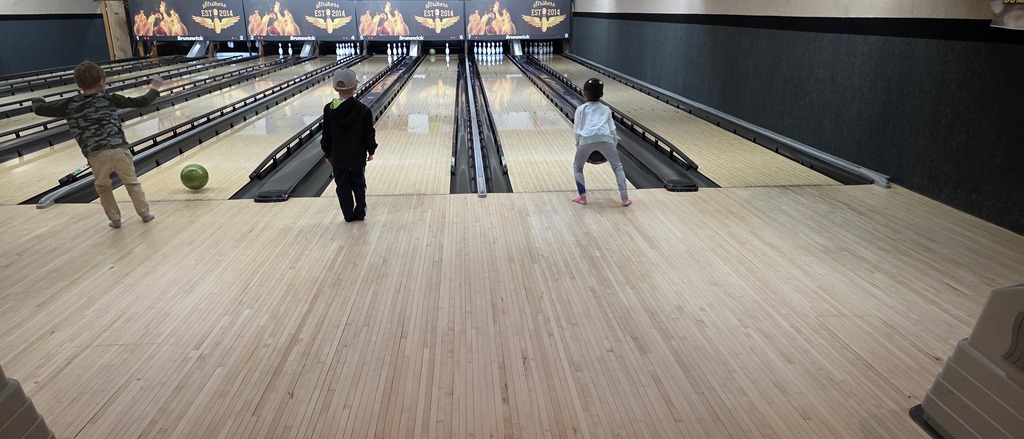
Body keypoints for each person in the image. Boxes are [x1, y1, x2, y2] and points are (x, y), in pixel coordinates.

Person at [31, 61, 162, 228]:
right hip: (120, 150)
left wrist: (37, 100)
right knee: (132, 182)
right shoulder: (109, 98)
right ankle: (145, 214)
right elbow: (141, 102)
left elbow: (40, 110)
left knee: (103, 186)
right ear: (102, 82)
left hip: (96, 154)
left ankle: (115, 219)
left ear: (78, 85)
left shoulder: (70, 104)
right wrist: (154, 88)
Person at [321, 67, 377, 222]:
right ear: (355, 87)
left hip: (338, 158)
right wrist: (371, 150)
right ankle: (360, 211)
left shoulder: (328, 110)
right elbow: (369, 134)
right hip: (357, 156)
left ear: (334, 88)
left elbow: (326, 135)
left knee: (342, 187)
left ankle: (347, 214)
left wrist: (327, 153)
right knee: (359, 184)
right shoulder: (363, 110)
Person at [572, 78, 630, 206]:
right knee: (617, 167)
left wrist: (578, 146)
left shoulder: (581, 109)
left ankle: (582, 198)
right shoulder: (606, 109)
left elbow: (576, 130)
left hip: (585, 140)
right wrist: (613, 146)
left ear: (583, 93)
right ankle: (625, 198)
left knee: (577, 167)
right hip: (606, 139)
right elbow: (612, 130)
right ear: (602, 94)